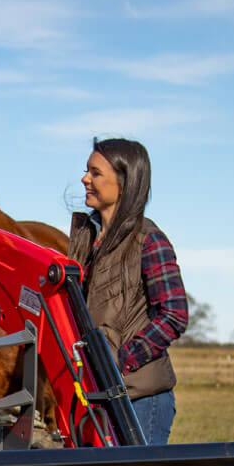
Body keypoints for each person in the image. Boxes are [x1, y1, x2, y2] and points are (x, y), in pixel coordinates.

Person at [68, 138, 187, 445]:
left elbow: (174, 314)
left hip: (140, 401)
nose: (85, 179)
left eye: (95, 173)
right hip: (97, 395)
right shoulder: (86, 240)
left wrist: (121, 362)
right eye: (87, 171)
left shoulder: (149, 240)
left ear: (124, 182)